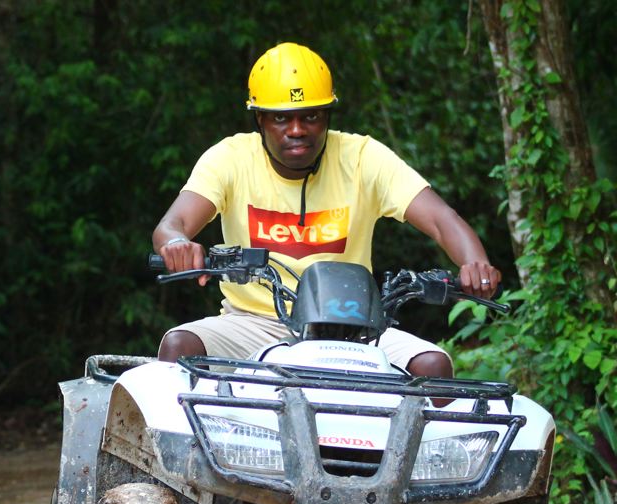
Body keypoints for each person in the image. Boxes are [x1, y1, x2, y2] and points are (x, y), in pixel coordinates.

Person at [154, 42, 502, 378]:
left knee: (432, 366)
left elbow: (441, 219)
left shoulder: (363, 157)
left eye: (311, 117)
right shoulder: (230, 158)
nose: (296, 130)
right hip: (252, 321)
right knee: (179, 346)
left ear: (327, 116)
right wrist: (177, 244)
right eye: (281, 118)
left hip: (354, 327)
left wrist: (476, 265)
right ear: (259, 119)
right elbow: (174, 223)